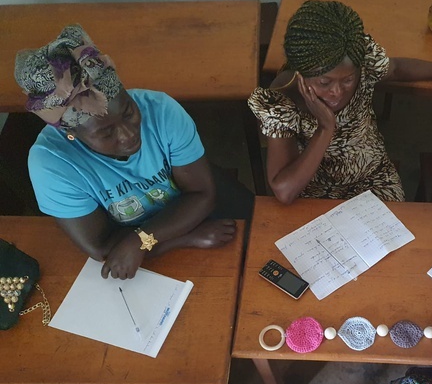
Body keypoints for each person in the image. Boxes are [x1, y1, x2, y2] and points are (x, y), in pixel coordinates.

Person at [15, 25, 254, 280]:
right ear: (70, 133)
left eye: (129, 112)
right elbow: (102, 246)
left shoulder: (162, 110)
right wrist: (183, 239)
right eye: (107, 133)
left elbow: (201, 195)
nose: (129, 134)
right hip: (177, 233)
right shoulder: (51, 165)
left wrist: (139, 241)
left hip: (186, 217)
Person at [248, 0, 432, 204]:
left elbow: (397, 69)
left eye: (348, 80)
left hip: (373, 175)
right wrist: (325, 128)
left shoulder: (363, 60)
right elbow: (284, 190)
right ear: (301, 72)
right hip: (313, 190)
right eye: (324, 83)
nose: (337, 92)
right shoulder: (281, 101)